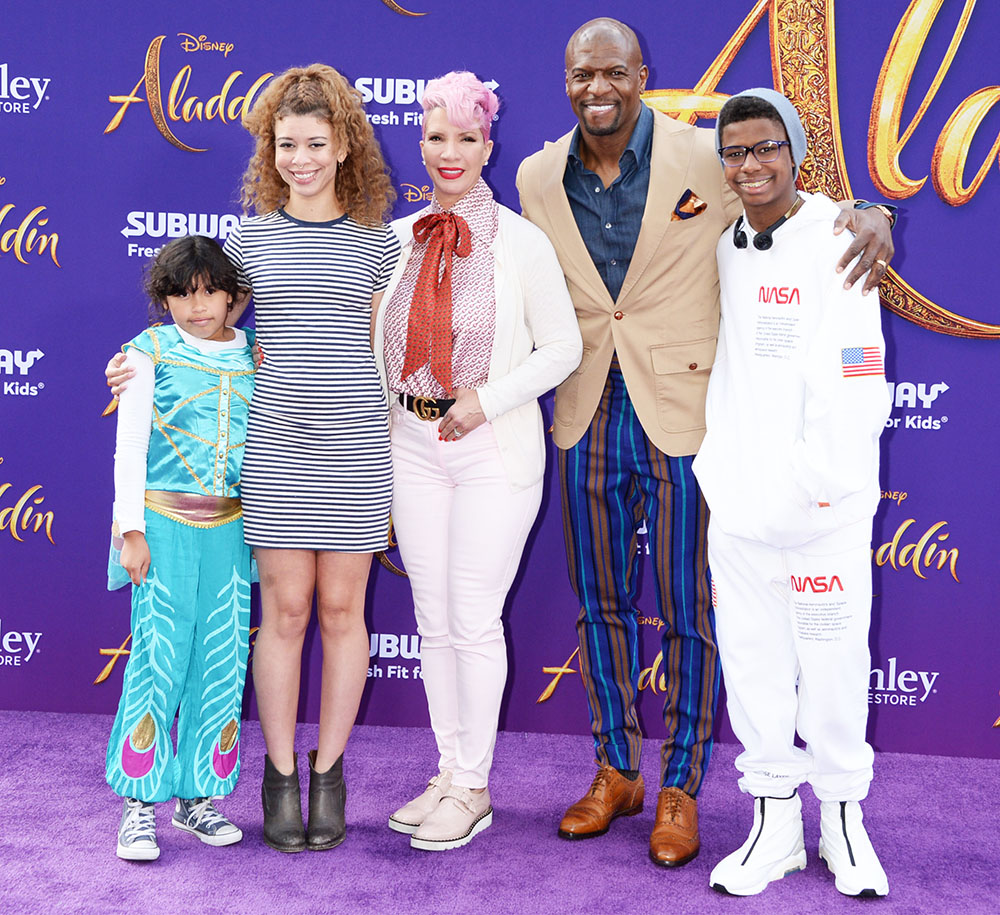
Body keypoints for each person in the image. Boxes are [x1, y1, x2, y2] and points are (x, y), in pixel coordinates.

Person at [515, 17, 895, 867]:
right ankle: (617, 767)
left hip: (689, 416)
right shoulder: (537, 174)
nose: (596, 88)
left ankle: (681, 785)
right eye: (582, 75)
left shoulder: (705, 156)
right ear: (566, 80)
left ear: (641, 75)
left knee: (691, 607)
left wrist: (871, 211)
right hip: (585, 411)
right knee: (600, 602)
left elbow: (792, 205)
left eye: (613, 72)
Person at [107, 64, 400, 854]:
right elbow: (203, 340)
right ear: (270, 151)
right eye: (285, 144)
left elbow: (385, 350)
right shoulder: (248, 241)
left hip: (354, 450)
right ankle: (275, 774)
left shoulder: (378, 244)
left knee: (345, 616)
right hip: (271, 453)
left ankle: (327, 774)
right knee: (286, 615)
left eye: (314, 142)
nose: (299, 158)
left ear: (344, 145)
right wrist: (135, 364)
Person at [373, 71, 582, 851]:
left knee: (471, 614)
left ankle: (473, 785)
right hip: (411, 450)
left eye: (467, 138)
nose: (450, 152)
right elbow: (367, 354)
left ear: (488, 146)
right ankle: (448, 768)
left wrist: (485, 399)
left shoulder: (523, 242)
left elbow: (563, 347)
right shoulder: (395, 238)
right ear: (420, 145)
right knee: (433, 619)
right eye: (436, 138)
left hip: (491, 449)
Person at [693, 88, 890, 898]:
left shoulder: (839, 236)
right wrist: (731, 479)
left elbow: (857, 375)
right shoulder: (726, 243)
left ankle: (844, 824)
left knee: (835, 665)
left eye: (765, 147)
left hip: (822, 513)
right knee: (753, 668)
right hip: (737, 509)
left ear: (794, 149)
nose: (751, 164)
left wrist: (818, 486)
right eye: (735, 151)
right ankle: (772, 825)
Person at [105, 235, 255, 861]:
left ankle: (200, 797)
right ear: (163, 301)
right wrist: (129, 530)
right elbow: (130, 444)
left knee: (220, 661)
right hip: (162, 528)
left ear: (232, 298)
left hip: (234, 531)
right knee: (158, 659)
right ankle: (139, 806)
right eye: (181, 296)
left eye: (209, 294)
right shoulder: (147, 354)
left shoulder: (257, 355)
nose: (196, 308)